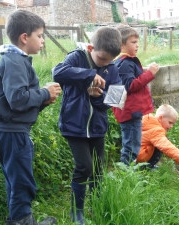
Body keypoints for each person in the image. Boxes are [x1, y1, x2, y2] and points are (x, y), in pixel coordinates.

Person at [0, 10, 61, 225]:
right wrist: (44, 92)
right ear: (25, 37)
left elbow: (16, 105)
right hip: (12, 135)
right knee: (22, 184)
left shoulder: (17, 60)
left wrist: (43, 101)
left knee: (16, 182)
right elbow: (17, 99)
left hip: (9, 131)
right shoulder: (15, 61)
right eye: (40, 35)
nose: (43, 40)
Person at [52, 26, 122, 225]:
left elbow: (116, 99)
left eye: (109, 61)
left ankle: (97, 204)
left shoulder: (112, 68)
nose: (105, 64)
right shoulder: (76, 58)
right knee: (84, 167)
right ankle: (77, 212)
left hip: (98, 127)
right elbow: (58, 72)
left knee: (99, 168)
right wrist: (89, 75)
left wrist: (97, 98)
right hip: (74, 125)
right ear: (91, 47)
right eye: (101, 59)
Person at [113, 24, 160, 165]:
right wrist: (149, 74)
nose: (137, 45)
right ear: (121, 45)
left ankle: (128, 172)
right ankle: (126, 174)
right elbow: (130, 86)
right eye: (133, 42)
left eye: (137, 42)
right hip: (130, 111)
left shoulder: (120, 62)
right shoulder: (125, 63)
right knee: (131, 146)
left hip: (129, 111)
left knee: (132, 144)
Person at [136, 104, 179, 171]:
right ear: (160, 118)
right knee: (162, 143)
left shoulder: (147, 121)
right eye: (170, 122)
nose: (171, 126)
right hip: (141, 157)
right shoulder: (156, 130)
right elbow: (167, 146)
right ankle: (148, 167)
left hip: (134, 153)